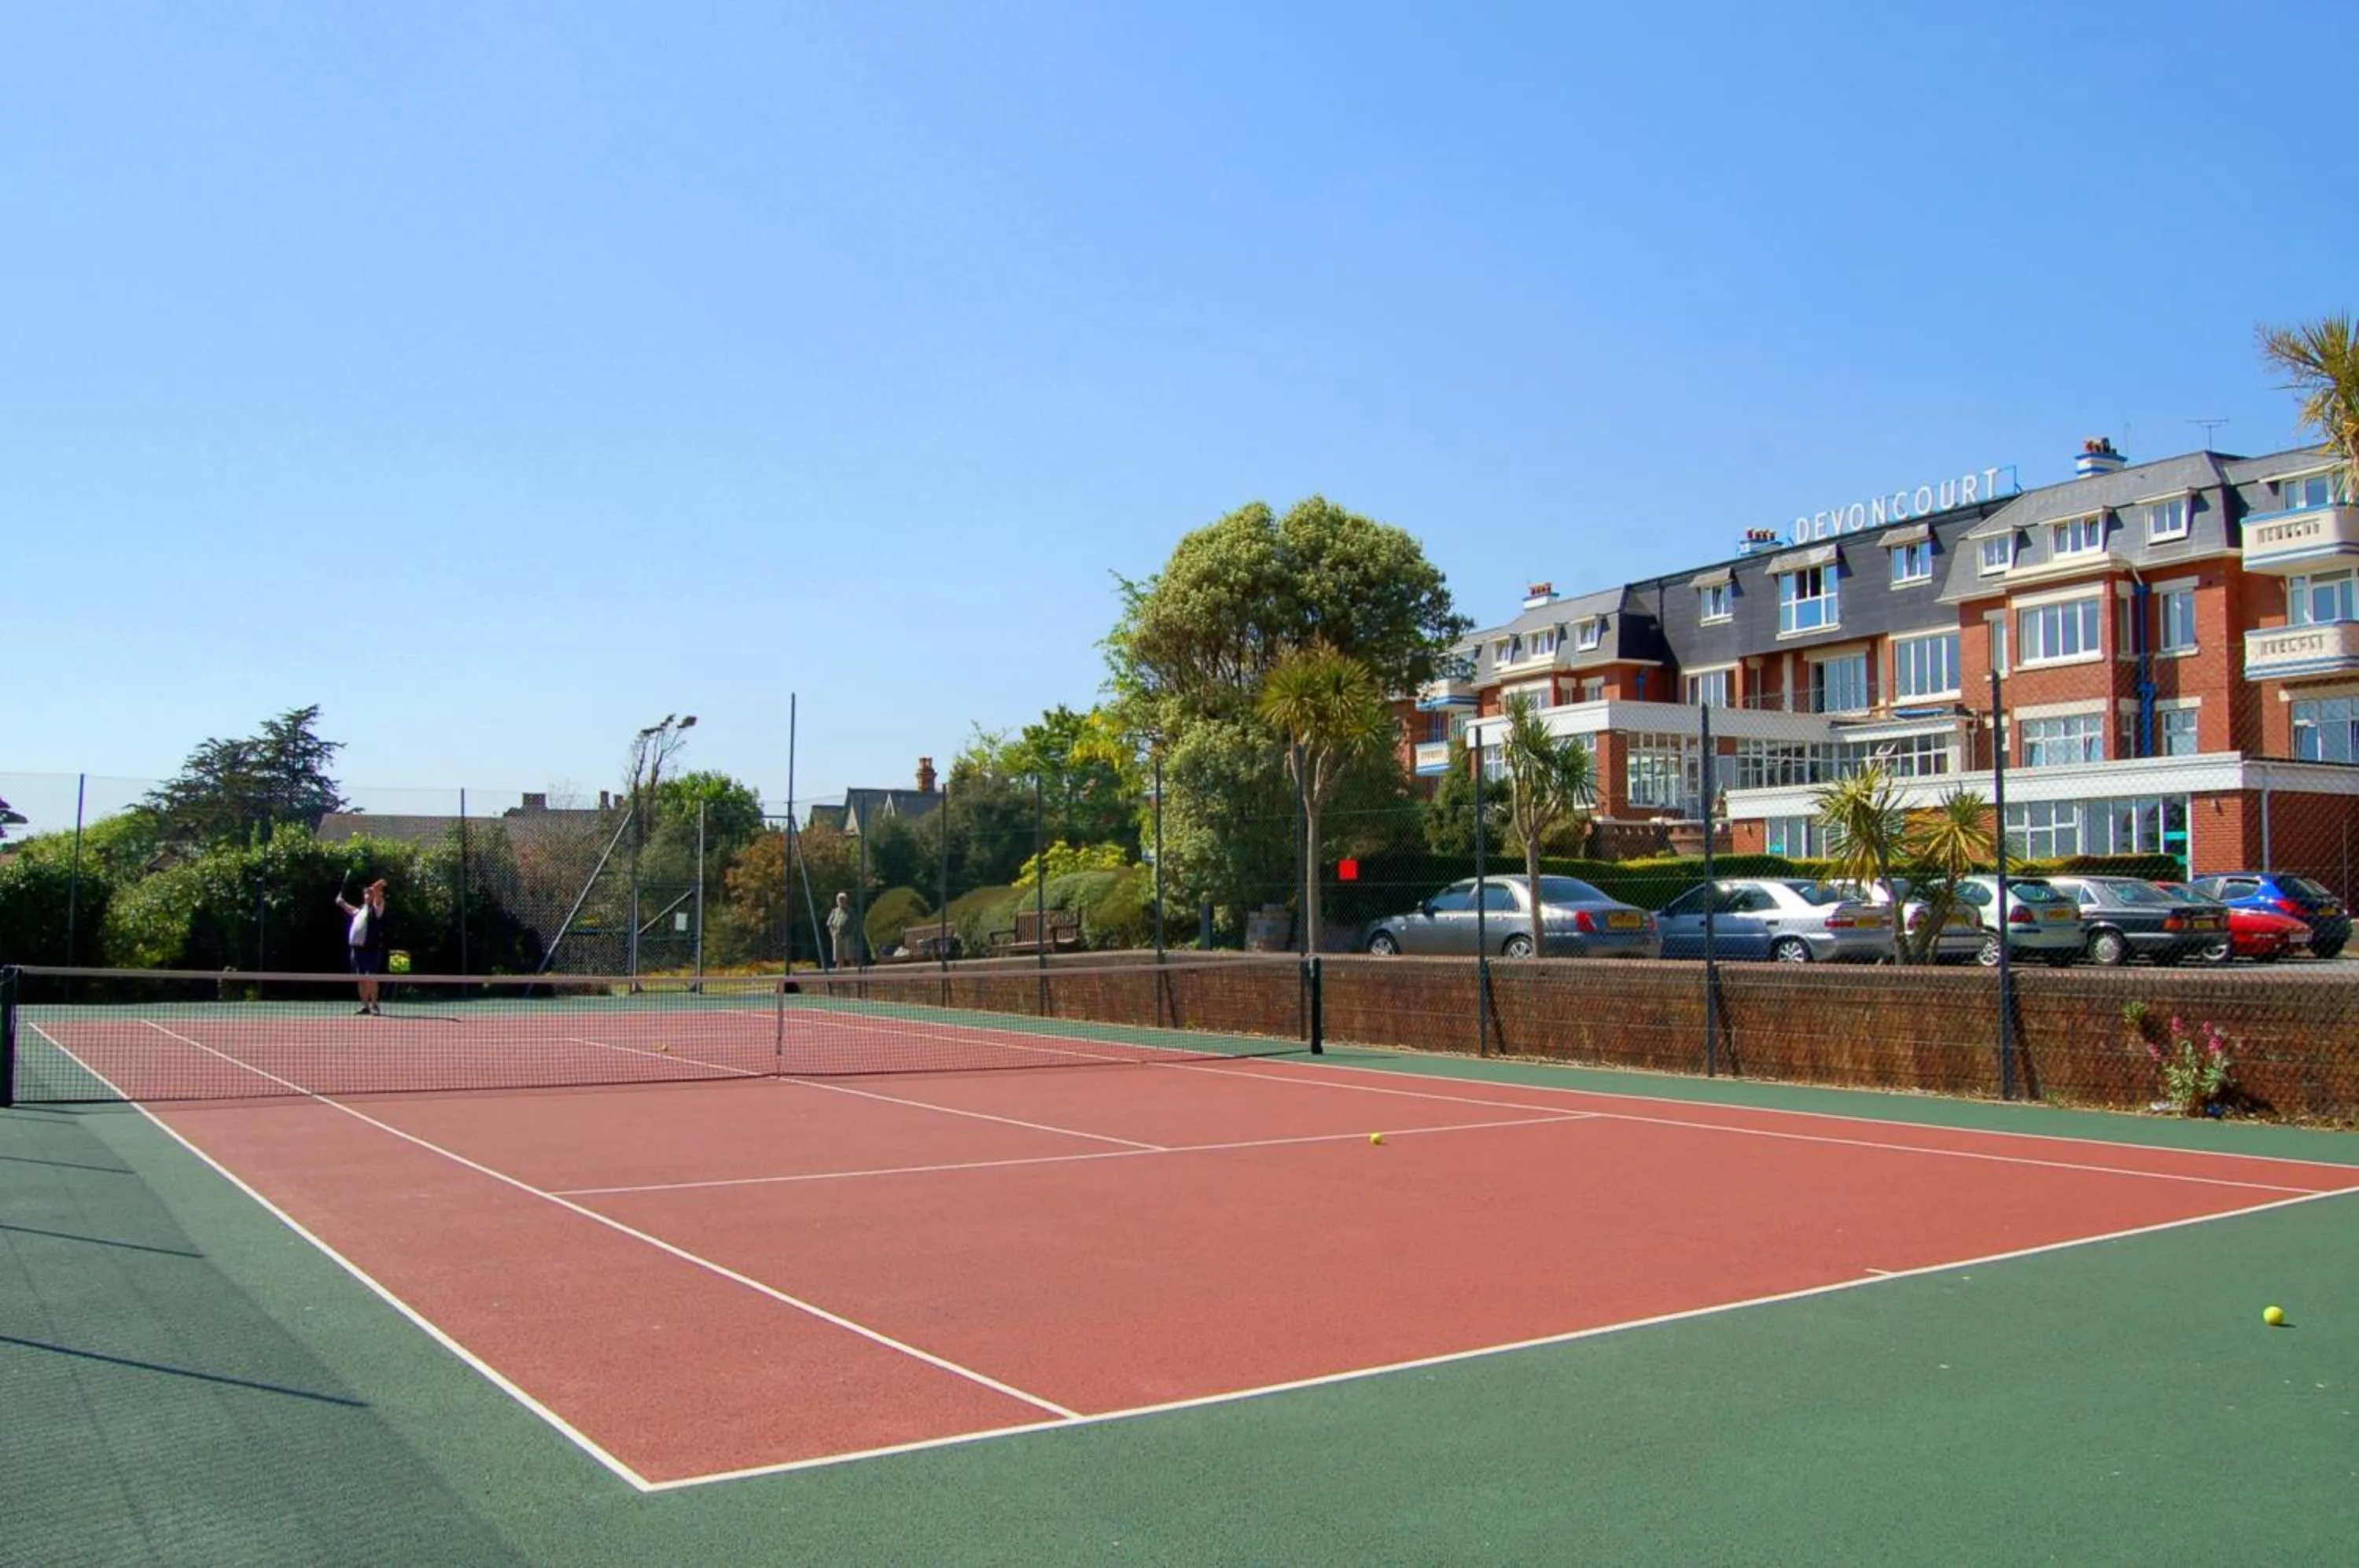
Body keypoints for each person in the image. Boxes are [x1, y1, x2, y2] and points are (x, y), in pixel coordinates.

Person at [336, 878, 391, 1014]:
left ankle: (375, 1005)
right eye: (366, 894)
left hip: (371, 949)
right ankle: (365, 1006)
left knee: (371, 977)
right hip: (357, 950)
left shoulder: (377, 908)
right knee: (360, 978)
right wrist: (341, 902)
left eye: (370, 894)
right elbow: (350, 909)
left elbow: (379, 897)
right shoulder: (360, 910)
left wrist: (376, 888)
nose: (368, 895)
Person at [826, 890, 857, 970]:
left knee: (850, 957)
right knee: (838, 958)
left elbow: (855, 924)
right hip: (837, 937)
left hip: (847, 937)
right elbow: (830, 924)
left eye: (843, 899)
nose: (841, 901)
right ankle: (839, 976)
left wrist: (851, 934)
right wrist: (833, 935)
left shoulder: (851, 911)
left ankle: (854, 975)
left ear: (846, 900)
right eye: (840, 899)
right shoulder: (834, 911)